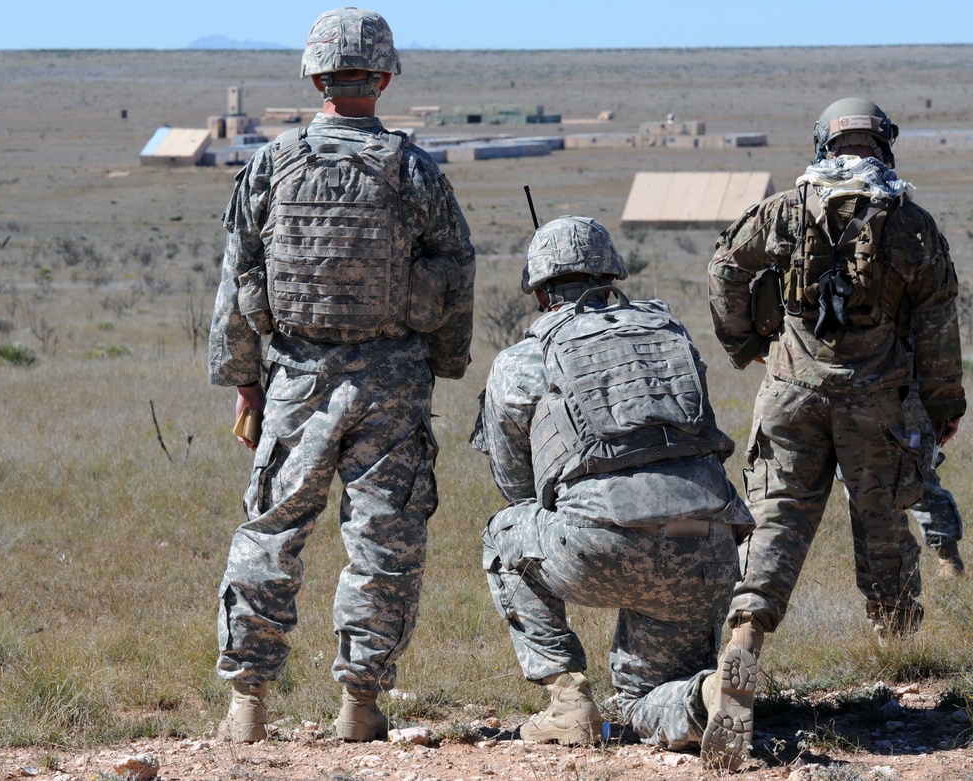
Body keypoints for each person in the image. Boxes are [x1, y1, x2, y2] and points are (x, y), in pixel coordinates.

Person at [208, 6, 475, 744]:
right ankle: (360, 705)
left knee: (270, 535)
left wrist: (245, 381)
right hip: (393, 383)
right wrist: (444, 363)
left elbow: (238, 278)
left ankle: (248, 704)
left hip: (296, 377)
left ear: (315, 76)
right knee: (383, 543)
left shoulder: (269, 164)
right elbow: (455, 273)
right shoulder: (416, 170)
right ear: (384, 78)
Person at [707, 97, 965, 762]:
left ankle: (744, 640)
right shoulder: (910, 223)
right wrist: (942, 405)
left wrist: (747, 344)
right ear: (884, 144)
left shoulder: (787, 209)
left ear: (825, 143)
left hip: (791, 394)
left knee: (775, 522)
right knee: (883, 527)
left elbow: (725, 268)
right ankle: (898, 662)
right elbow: (937, 319)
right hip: (877, 403)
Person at [472, 216, 754, 766]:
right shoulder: (671, 337)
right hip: (708, 546)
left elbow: (515, 488)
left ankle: (567, 702)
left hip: (598, 544)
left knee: (504, 536)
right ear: (613, 276)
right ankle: (705, 696)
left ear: (538, 290)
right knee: (644, 696)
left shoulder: (520, 363)